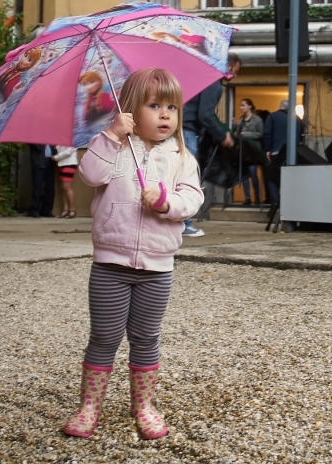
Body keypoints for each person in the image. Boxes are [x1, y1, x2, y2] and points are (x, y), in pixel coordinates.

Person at [64, 68, 203, 441]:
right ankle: (89, 406)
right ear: (130, 109)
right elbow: (90, 175)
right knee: (105, 336)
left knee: (145, 338)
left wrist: (166, 202)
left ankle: (143, 405)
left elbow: (192, 199)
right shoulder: (113, 145)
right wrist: (111, 136)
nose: (164, 115)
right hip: (111, 263)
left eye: (171, 107)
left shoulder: (180, 158)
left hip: (157, 267)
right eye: (154, 105)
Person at [181, 52, 241, 236]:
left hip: (178, 129)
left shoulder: (199, 77)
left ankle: (179, 222)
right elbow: (205, 115)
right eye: (236, 70)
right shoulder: (213, 84)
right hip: (187, 132)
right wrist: (223, 135)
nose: (235, 75)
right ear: (229, 66)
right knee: (187, 178)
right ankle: (184, 223)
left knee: (176, 177)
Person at [262, 100, 303, 206]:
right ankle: (290, 204)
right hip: (294, 153)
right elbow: (302, 135)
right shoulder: (297, 119)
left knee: (273, 177)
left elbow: (267, 134)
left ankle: (275, 203)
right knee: (291, 179)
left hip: (277, 152)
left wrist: (267, 149)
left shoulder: (272, 117)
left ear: (280, 106)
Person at [232, 98, 264, 205]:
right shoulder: (241, 120)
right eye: (241, 105)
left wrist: (247, 134)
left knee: (253, 174)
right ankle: (247, 198)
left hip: (253, 151)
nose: (241, 107)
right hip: (243, 151)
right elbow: (238, 135)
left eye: (243, 105)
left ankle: (257, 197)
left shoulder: (257, 120)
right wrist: (234, 126)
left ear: (249, 106)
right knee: (244, 175)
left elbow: (260, 133)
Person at [28, 144, 55, 218]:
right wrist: (44, 140)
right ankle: (35, 210)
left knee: (50, 187)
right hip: (38, 164)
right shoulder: (34, 137)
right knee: (37, 187)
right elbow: (38, 148)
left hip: (50, 162)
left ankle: (47, 210)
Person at [53, 145, 79, 218]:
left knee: (67, 187)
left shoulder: (72, 138)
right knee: (64, 187)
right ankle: (65, 210)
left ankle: (72, 210)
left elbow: (69, 151)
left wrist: (56, 157)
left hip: (69, 163)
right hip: (62, 163)